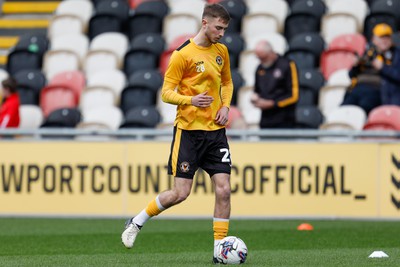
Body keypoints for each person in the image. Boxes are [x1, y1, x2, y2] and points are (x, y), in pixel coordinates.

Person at [121, 3, 234, 264]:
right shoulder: (181, 55)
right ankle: (137, 221)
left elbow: (227, 82)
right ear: (205, 23)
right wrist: (190, 101)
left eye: (225, 29)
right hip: (189, 133)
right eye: (219, 28)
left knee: (224, 189)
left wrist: (226, 106)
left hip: (216, 132)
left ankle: (219, 250)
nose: (222, 33)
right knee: (180, 194)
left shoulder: (222, 52)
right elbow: (166, 93)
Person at [342, 23, 400, 113]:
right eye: (381, 37)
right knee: (344, 109)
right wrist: (356, 65)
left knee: (364, 107)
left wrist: (382, 67)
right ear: (374, 39)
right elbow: (351, 75)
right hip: (357, 89)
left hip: (377, 91)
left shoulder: (396, 54)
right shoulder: (368, 52)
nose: (384, 41)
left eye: (387, 37)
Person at [251, 40, 299, 128]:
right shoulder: (260, 68)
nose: (261, 61)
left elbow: (294, 96)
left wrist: (273, 104)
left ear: (270, 53)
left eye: (263, 58)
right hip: (265, 120)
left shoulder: (287, 65)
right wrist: (255, 98)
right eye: (259, 58)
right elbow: (257, 90)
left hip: (285, 121)